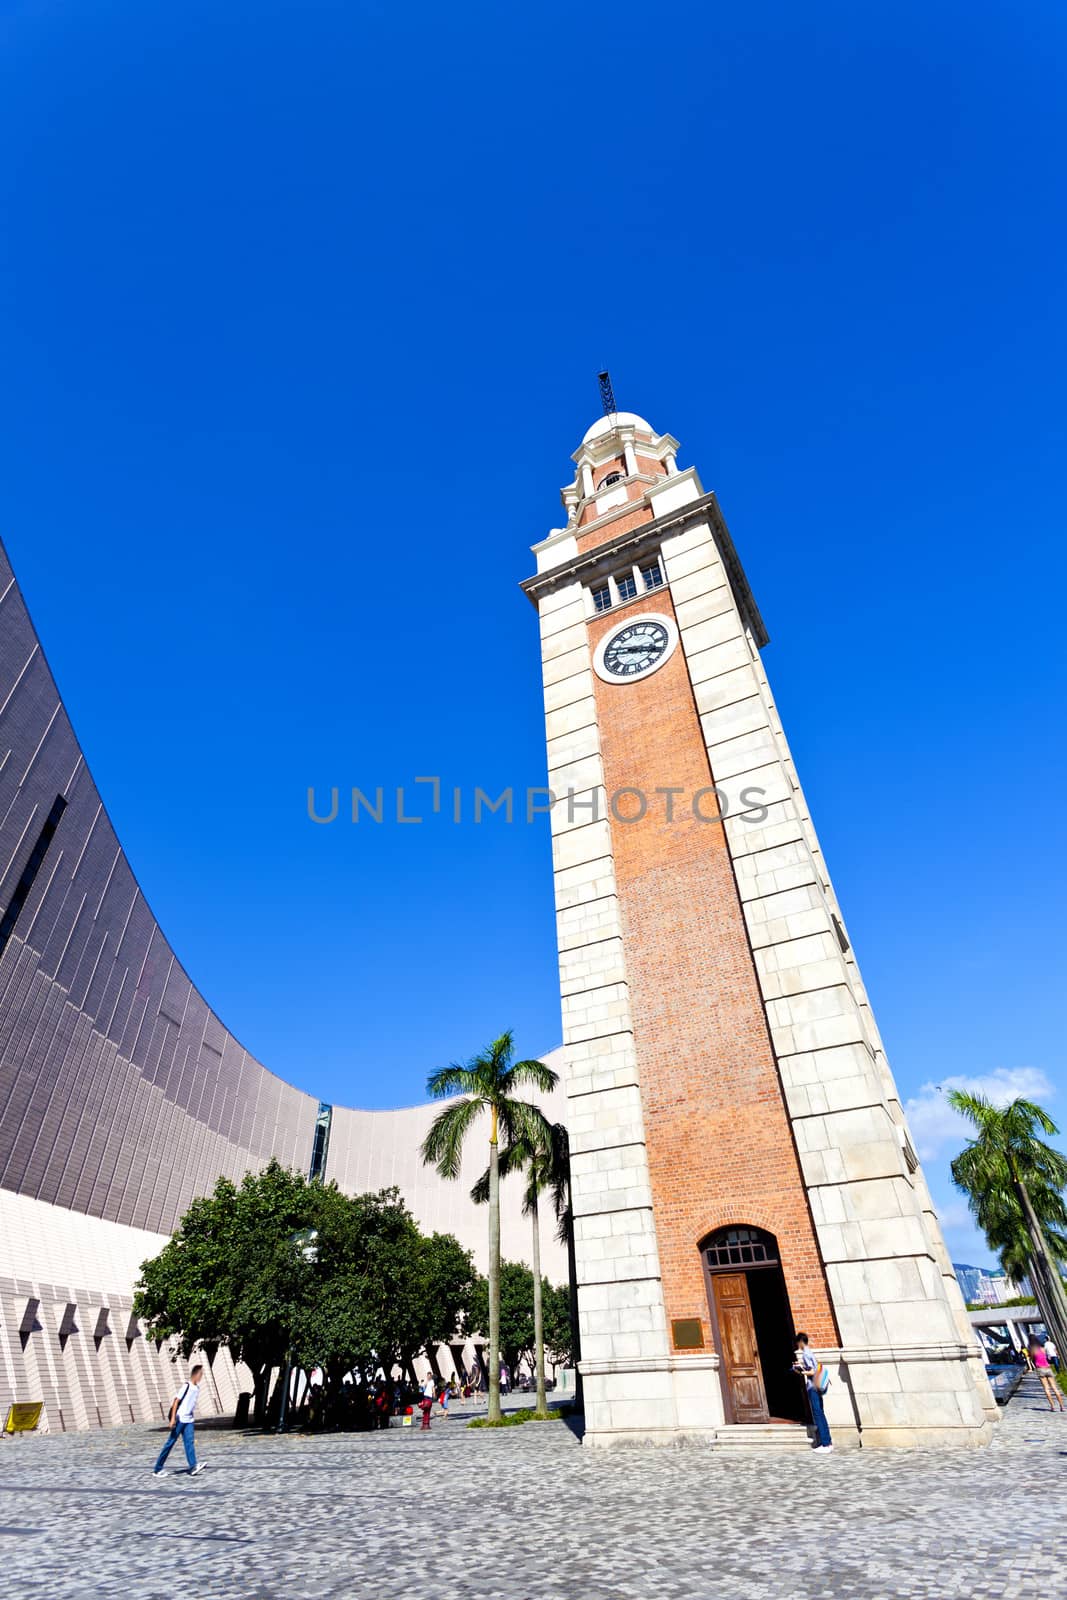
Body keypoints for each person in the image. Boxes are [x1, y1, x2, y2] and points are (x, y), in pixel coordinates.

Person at [153, 1365, 207, 1477]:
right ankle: (158, 1469)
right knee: (170, 1443)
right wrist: (172, 1419)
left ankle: (193, 1466)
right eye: (201, 1374)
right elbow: (176, 1401)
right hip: (180, 1419)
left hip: (189, 1420)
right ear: (196, 1374)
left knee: (189, 1443)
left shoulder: (197, 1388)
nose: (201, 1377)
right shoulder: (186, 1386)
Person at [793, 1333, 833, 1452]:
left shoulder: (805, 1354)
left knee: (817, 1414)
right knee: (821, 1413)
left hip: (813, 1387)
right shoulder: (810, 1352)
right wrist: (801, 1366)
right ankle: (828, 1442)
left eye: (797, 1342)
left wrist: (800, 1371)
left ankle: (825, 1444)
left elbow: (812, 1372)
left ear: (800, 1342)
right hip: (818, 1386)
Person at [1029, 1337, 1065, 1412]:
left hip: (1040, 1369)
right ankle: (1062, 1406)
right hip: (1048, 1368)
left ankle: (1053, 1407)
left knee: (1046, 1388)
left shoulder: (1032, 1350)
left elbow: (1032, 1359)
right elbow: (1046, 1358)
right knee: (1055, 1388)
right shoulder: (1043, 1349)